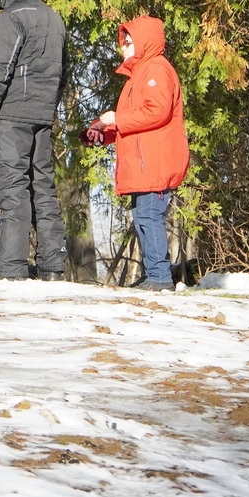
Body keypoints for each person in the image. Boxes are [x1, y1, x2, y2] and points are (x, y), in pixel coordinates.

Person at [0, 0, 68, 282]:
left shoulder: (7, 20)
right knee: (43, 187)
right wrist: (48, 107)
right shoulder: (54, 18)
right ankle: (52, 265)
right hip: (43, 116)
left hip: (12, 117)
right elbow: (63, 72)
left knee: (13, 187)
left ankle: (11, 267)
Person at [92, 16, 189, 291]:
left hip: (155, 161)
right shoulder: (140, 75)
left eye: (129, 41)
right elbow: (135, 120)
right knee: (143, 216)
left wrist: (116, 119)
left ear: (145, 41)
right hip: (144, 162)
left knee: (149, 216)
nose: (123, 46)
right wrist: (104, 133)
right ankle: (154, 274)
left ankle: (160, 277)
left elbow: (156, 112)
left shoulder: (156, 68)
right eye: (123, 41)